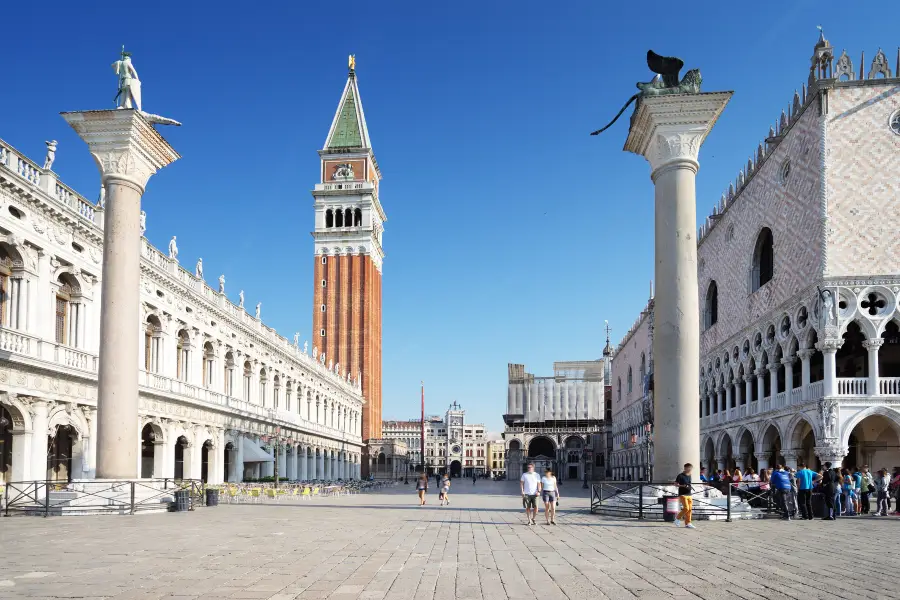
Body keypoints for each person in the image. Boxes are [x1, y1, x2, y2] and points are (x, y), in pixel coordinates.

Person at [673, 463, 695, 529]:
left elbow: (689, 483)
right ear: (685, 468)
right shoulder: (680, 476)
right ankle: (677, 518)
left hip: (689, 494)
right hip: (682, 494)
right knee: (686, 508)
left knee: (690, 509)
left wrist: (689, 487)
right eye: (689, 468)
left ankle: (688, 523)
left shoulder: (690, 475)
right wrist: (683, 486)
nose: (690, 470)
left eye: (691, 468)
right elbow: (675, 484)